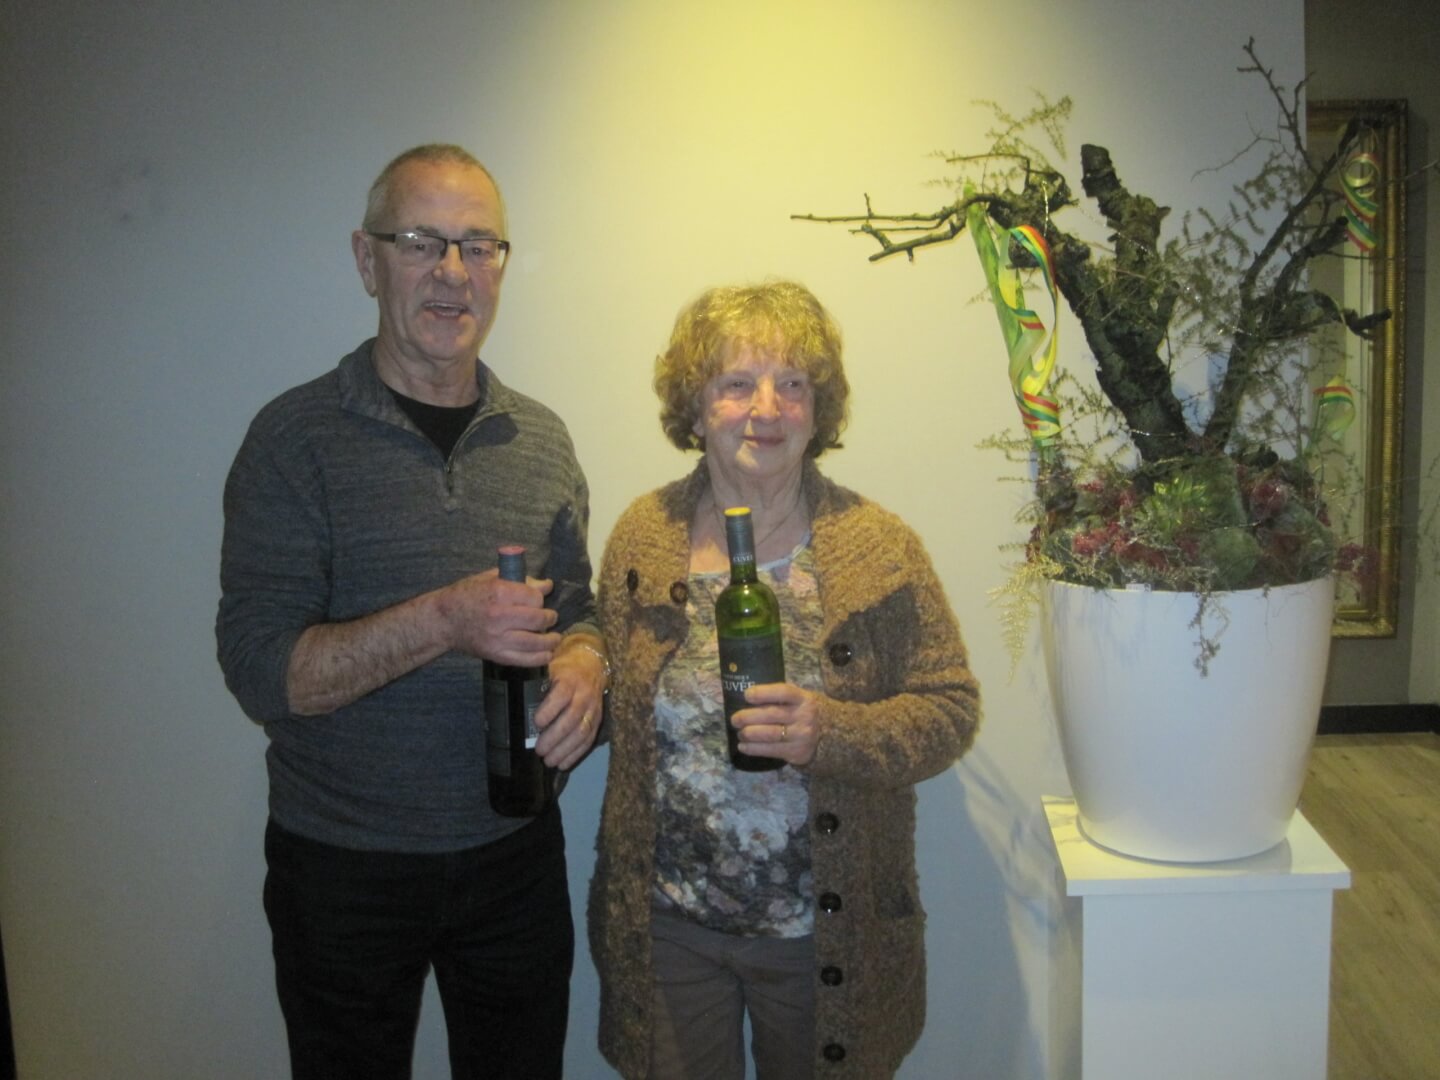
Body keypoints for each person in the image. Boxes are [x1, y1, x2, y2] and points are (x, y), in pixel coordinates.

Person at [216, 144, 607, 1080]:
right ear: (367, 259)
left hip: (516, 856)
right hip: (342, 869)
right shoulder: (293, 439)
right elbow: (262, 672)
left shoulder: (542, 440)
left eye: (478, 245)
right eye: (421, 241)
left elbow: (580, 611)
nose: (452, 272)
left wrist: (590, 664)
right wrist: (444, 621)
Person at [588, 281, 981, 1078]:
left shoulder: (877, 547)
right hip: (671, 928)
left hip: (822, 936)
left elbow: (950, 708)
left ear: (818, 406)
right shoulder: (644, 537)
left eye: (792, 383)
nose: (766, 408)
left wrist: (829, 732)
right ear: (696, 406)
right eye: (737, 383)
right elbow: (607, 676)